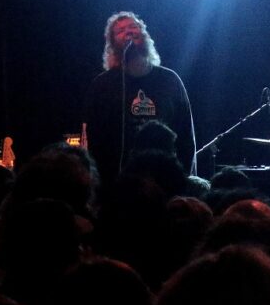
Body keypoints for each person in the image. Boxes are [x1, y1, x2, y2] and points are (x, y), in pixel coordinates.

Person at [84, 12, 196, 187]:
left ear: (144, 34)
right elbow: (94, 140)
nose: (128, 31)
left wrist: (183, 179)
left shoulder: (170, 80)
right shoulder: (102, 85)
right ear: (112, 43)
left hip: (165, 181)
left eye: (133, 26)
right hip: (116, 183)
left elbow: (186, 136)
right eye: (120, 30)